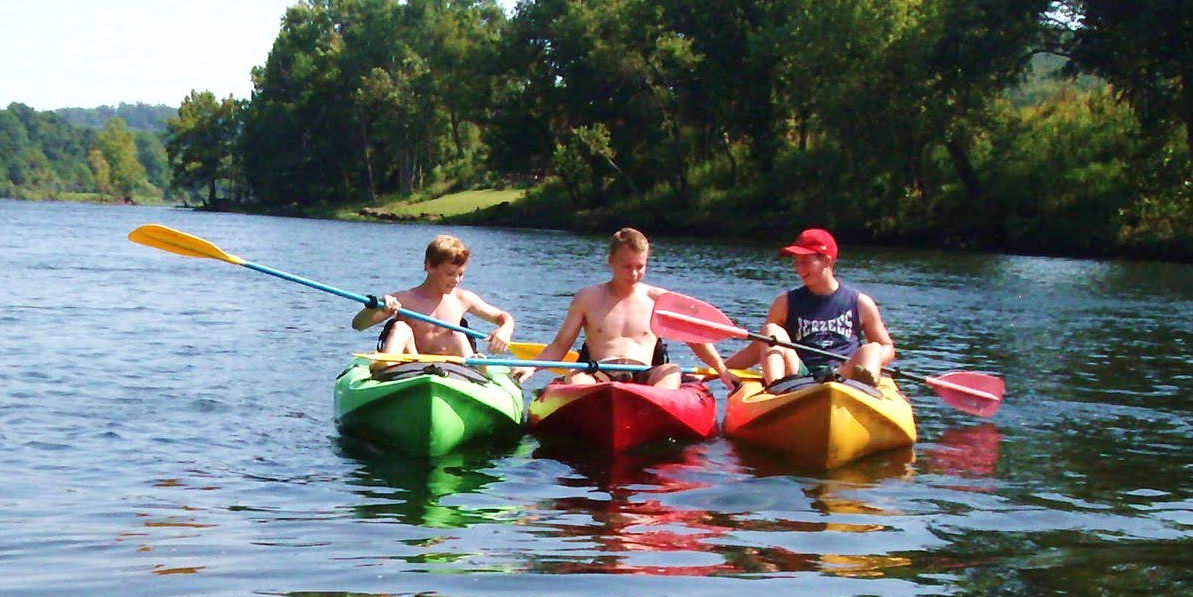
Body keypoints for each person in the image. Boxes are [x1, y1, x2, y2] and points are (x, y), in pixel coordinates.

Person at [522, 227, 732, 389]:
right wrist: (530, 367)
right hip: (598, 374)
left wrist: (722, 370)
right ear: (611, 261)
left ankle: (656, 410)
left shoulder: (659, 300)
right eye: (627, 266)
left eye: (640, 267)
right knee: (575, 375)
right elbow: (560, 345)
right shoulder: (586, 298)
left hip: (645, 376)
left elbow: (694, 338)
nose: (633, 274)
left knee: (672, 370)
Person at [725, 228, 895, 387]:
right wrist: (718, 369)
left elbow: (887, 347)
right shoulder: (784, 303)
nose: (799, 269)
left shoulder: (860, 302)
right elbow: (758, 348)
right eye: (796, 262)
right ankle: (775, 390)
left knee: (873, 348)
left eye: (805, 262)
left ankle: (863, 391)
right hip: (800, 375)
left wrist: (874, 359)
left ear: (827, 261)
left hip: (844, 374)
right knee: (771, 330)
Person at [351, 233, 514, 358]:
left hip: (451, 370)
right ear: (429, 266)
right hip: (410, 366)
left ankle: (475, 368)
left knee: (458, 334)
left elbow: (502, 316)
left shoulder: (463, 299)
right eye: (451, 274)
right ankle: (384, 365)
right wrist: (379, 306)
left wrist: (505, 330)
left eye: (461, 274)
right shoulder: (404, 300)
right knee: (400, 328)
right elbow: (358, 324)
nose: (456, 280)